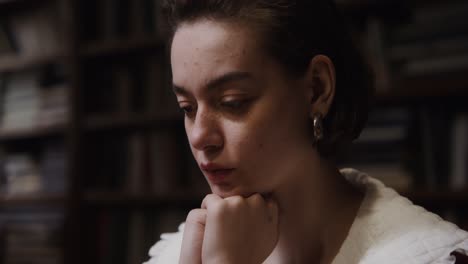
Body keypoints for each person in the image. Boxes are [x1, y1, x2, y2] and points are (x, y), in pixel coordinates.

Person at [144, 0, 468, 263]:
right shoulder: (177, 253)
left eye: (233, 102)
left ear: (316, 89)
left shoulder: (432, 256)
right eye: (187, 107)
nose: (200, 136)